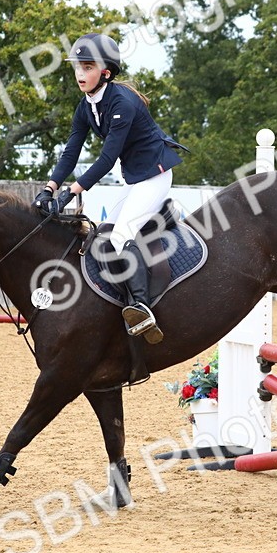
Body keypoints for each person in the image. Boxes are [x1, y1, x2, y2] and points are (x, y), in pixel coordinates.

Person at [33, 33, 184, 344]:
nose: (79, 74)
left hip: (154, 176)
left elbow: (107, 158)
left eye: (87, 67)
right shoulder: (86, 106)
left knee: (120, 236)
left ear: (106, 72)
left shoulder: (122, 103)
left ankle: (141, 307)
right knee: (102, 233)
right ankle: (161, 218)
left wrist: (71, 192)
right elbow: (71, 151)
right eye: (77, 67)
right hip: (136, 179)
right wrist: (49, 188)